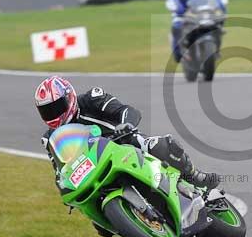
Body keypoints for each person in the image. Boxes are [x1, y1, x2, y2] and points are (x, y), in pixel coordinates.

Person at [34, 76, 220, 191]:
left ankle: (195, 176)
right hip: (93, 166)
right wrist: (62, 184)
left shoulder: (92, 98)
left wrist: (126, 125)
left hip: (123, 142)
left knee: (161, 145)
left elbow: (127, 110)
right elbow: (59, 169)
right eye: (47, 111)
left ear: (69, 97)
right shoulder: (49, 137)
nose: (54, 114)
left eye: (56, 107)